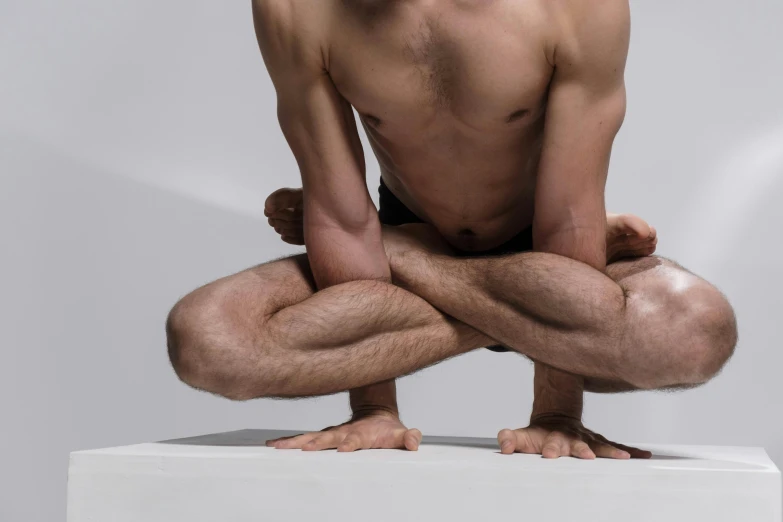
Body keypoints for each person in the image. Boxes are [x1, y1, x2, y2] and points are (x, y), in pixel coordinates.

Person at [165, 0, 737, 459]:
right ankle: (460, 282)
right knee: (208, 341)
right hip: (396, 239)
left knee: (692, 332)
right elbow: (343, 215)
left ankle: (417, 257)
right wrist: (373, 411)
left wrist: (556, 416)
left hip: (534, 244)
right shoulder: (294, 7)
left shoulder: (577, 7)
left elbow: (566, 215)